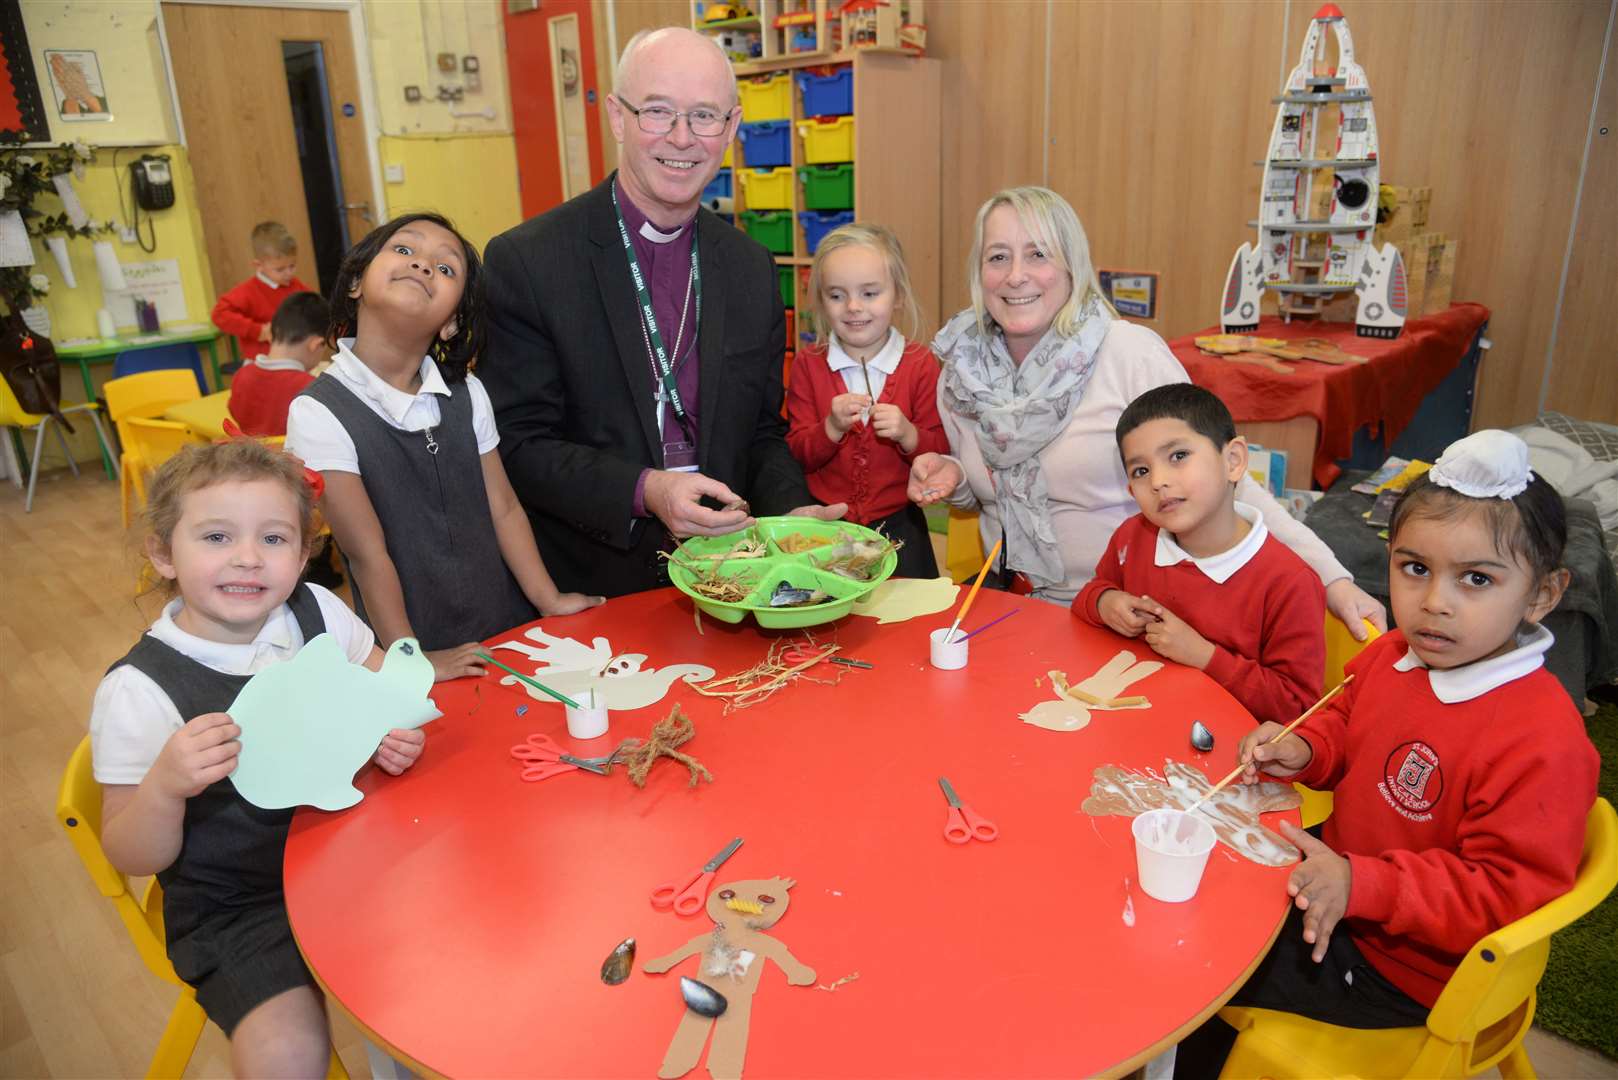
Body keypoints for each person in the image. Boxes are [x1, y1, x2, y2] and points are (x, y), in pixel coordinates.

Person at [1174, 430, 1599, 1077]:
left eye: (1476, 579)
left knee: (1195, 964)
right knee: (1202, 887)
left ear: (1542, 594)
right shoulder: (1394, 653)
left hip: (1405, 970)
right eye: (1415, 568)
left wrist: (1362, 882)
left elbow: (1506, 894)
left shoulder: (1544, 738)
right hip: (1343, 882)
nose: (1435, 603)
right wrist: (1304, 747)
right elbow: (1347, 722)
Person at [906, 185, 1386, 636]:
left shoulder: (1127, 354)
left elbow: (1225, 481)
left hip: (1129, 613)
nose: (1015, 275)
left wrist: (1331, 578)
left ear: (1072, 267)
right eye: (998, 257)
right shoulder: (962, 375)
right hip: (1011, 608)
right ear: (979, 273)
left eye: (1037, 254)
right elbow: (980, 502)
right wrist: (953, 475)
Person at [90, 439, 426, 1077]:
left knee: (443, 963)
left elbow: (386, 691)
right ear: (163, 552)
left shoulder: (317, 611)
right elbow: (130, 854)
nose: (247, 557)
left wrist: (390, 730)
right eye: (216, 538)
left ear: (303, 556)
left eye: (273, 540)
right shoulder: (138, 690)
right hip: (242, 905)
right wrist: (164, 786)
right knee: (285, 1053)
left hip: (357, 850)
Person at [479, 26, 840, 599]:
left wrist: (793, 515)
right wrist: (647, 489)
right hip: (595, 587)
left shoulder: (750, 267)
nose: (682, 137)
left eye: (704, 116)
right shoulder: (528, 261)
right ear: (619, 118)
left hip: (736, 574)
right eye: (657, 112)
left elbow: (763, 432)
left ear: (732, 128)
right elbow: (517, 445)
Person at [286, 213, 601, 681]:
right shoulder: (318, 412)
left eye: (446, 267)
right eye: (404, 250)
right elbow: (366, 553)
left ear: (452, 322)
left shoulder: (467, 390)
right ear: (355, 282)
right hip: (407, 647)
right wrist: (413, 661)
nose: (422, 266)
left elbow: (504, 507)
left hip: (507, 627)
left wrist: (548, 599)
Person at [1073, 384, 1324, 725]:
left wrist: (1204, 656)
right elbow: (1088, 596)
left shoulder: (1289, 582)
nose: (1159, 481)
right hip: (1133, 723)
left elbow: (1296, 709)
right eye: (1141, 471)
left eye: (1178, 456)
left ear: (1233, 461)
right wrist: (1106, 603)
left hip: (1226, 753)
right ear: (1131, 490)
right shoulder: (1133, 538)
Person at [785, 223, 948, 578]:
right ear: (821, 303)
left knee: (909, 623)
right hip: (828, 532)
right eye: (837, 295)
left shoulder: (919, 364)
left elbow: (940, 451)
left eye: (870, 293)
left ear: (898, 296)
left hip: (902, 531)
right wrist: (829, 428)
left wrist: (908, 434)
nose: (854, 307)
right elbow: (797, 452)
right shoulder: (808, 365)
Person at [227, 291, 330, 438]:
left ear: (270, 334)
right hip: (294, 460)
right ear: (316, 344)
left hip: (251, 458)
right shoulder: (311, 388)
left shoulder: (241, 375)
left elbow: (235, 412)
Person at [212, 222, 312, 371]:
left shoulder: (296, 286)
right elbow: (219, 315)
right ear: (258, 265)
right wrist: (257, 331)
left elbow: (314, 307)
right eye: (280, 269)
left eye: (292, 266)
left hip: (296, 362)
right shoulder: (247, 291)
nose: (288, 273)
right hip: (261, 364)